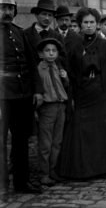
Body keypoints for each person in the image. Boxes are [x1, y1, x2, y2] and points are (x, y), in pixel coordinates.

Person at [58, 8, 106, 179]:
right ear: (80, 25)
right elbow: (70, 73)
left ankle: (103, 167)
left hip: (102, 92)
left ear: (97, 25)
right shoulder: (75, 47)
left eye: (92, 22)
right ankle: (84, 169)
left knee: (102, 129)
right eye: (85, 22)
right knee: (82, 129)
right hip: (82, 95)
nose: (89, 26)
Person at [0, 0, 43, 194]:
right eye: (2, 8)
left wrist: (37, 91)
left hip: (22, 95)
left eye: (9, 8)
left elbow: (32, 64)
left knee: (20, 141)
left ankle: (21, 183)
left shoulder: (19, 32)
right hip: (2, 98)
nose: (6, 12)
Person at [35, 38, 68, 186]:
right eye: (47, 51)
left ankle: (54, 170)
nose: (51, 53)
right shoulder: (38, 69)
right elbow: (36, 90)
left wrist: (65, 78)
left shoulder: (57, 67)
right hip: (47, 108)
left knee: (57, 142)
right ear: (41, 54)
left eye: (54, 51)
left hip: (60, 106)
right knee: (45, 143)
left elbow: (64, 86)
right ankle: (44, 173)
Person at [24, 0, 66, 66]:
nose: (47, 18)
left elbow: (63, 59)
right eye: (44, 14)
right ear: (36, 15)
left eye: (50, 15)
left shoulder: (57, 36)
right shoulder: (25, 34)